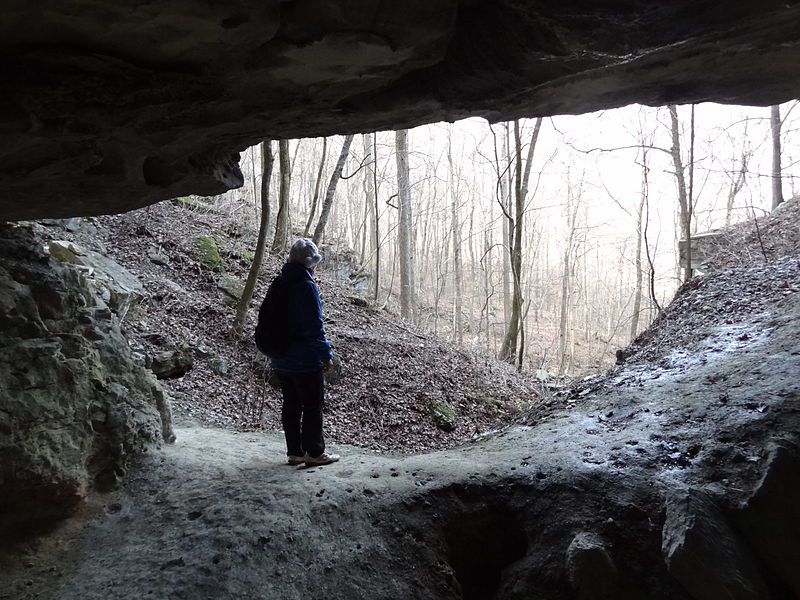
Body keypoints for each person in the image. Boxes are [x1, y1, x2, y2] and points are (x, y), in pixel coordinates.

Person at [271, 238, 339, 466]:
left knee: (290, 404)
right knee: (312, 406)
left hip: (280, 357)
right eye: (314, 262)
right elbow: (314, 327)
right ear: (310, 263)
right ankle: (315, 453)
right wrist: (326, 355)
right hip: (304, 360)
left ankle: (295, 452)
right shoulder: (306, 286)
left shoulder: (280, 281)